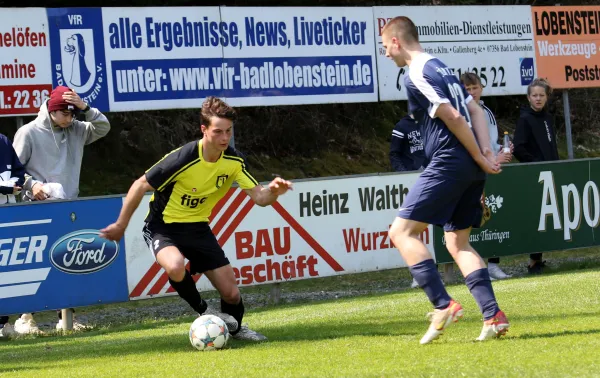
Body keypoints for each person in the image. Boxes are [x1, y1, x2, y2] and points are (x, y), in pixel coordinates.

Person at [100, 96, 293, 341]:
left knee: (232, 294)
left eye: (229, 131)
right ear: (204, 130)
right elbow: (139, 185)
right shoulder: (183, 158)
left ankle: (235, 329)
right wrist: (121, 225)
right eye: (218, 132)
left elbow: (260, 198)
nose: (225, 138)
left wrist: (275, 191)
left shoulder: (233, 161)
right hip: (163, 227)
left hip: (198, 229)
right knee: (175, 265)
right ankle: (205, 310)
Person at [381, 16, 509, 344]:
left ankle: (443, 305)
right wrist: (485, 154)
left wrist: (482, 156)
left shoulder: (415, 73)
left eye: (384, 47)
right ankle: (493, 315)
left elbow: (452, 117)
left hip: (450, 162)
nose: (385, 54)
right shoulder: (443, 67)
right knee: (457, 242)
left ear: (396, 41)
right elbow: (476, 111)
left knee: (401, 232)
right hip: (469, 165)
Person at [12, 85, 111, 333]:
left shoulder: (77, 129)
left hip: (68, 206)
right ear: (53, 111)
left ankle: (66, 318)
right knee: (35, 262)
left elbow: (103, 127)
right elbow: (13, 170)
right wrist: (31, 185)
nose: (71, 118)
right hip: (35, 207)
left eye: (74, 113)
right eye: (66, 113)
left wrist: (85, 107)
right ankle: (25, 317)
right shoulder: (28, 132)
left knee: (65, 262)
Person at [460, 72, 512, 281]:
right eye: (468, 89)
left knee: (491, 217)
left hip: (489, 169)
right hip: (471, 171)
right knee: (468, 222)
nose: (472, 93)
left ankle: (492, 265)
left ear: (481, 88)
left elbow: (490, 142)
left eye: (475, 88)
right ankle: (473, 268)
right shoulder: (459, 112)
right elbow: (470, 145)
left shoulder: (487, 112)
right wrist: (492, 157)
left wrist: (503, 150)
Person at [513, 78, 558, 274]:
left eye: (541, 95)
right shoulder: (525, 119)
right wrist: (534, 163)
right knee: (535, 215)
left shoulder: (548, 118)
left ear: (546, 97)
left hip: (550, 173)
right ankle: (533, 262)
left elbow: (551, 145)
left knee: (547, 216)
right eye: (534, 95)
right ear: (528, 97)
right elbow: (519, 148)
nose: (538, 99)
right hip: (534, 174)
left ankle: (539, 259)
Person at [389, 114, 427, 289]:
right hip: (410, 183)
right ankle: (417, 274)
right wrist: (404, 175)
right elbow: (394, 154)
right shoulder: (402, 125)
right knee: (410, 231)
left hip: (432, 179)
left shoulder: (432, 120)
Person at [0, 133, 26, 339]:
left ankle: (3, 322)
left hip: (9, 212)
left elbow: (19, 170)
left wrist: (16, 182)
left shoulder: (3, 140)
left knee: (7, 268)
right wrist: (2, 187)